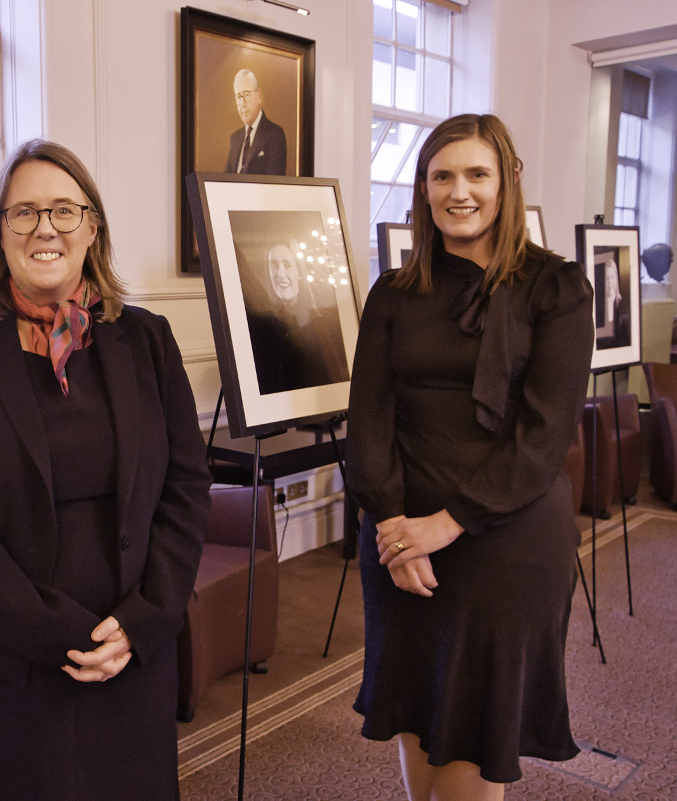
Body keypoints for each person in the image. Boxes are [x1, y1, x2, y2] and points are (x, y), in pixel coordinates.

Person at [0, 139, 211, 800]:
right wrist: (54, 632)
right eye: (24, 212)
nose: (46, 228)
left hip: (129, 641)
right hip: (3, 653)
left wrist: (145, 617)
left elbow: (186, 485)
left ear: (92, 226)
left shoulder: (148, 338)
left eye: (64, 210)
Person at [347, 113, 594, 801]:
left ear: (508, 182)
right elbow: (366, 421)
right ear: (424, 189)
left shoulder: (558, 288)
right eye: (442, 175)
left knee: (476, 729)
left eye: (477, 174)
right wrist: (396, 530)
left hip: (505, 543)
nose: (460, 191)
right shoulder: (393, 294)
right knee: (415, 711)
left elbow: (544, 440)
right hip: (399, 541)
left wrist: (445, 523)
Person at [245, 237, 349, 393]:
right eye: (274, 265)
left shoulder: (319, 321)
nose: (280, 274)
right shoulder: (262, 323)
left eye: (287, 266)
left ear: (299, 271)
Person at [225, 69, 288, 176]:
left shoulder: (275, 134)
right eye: (239, 97)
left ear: (258, 96)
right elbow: (224, 181)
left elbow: (273, 183)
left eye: (246, 95)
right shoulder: (235, 138)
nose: (242, 103)